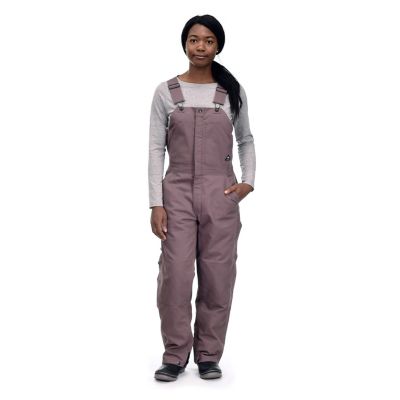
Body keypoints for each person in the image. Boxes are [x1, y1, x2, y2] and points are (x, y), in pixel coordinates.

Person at [148, 14, 256, 382]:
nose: (201, 47)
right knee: (175, 277)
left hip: (220, 194)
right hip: (176, 193)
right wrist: (156, 202)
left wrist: (247, 182)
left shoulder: (231, 92)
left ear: (218, 46)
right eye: (194, 39)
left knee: (218, 276)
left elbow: (246, 139)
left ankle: (209, 355)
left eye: (209, 41)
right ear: (184, 44)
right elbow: (155, 149)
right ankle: (174, 355)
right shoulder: (166, 92)